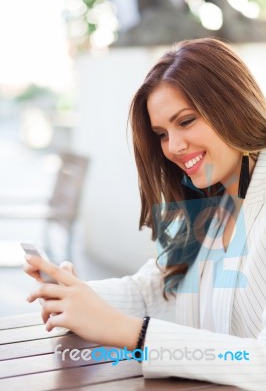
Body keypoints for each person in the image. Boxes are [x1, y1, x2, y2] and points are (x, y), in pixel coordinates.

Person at [24, 38, 266, 390]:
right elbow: (151, 290)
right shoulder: (208, 204)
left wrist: (130, 334)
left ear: (233, 106)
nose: (174, 147)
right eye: (161, 134)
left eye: (186, 121)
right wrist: (75, 295)